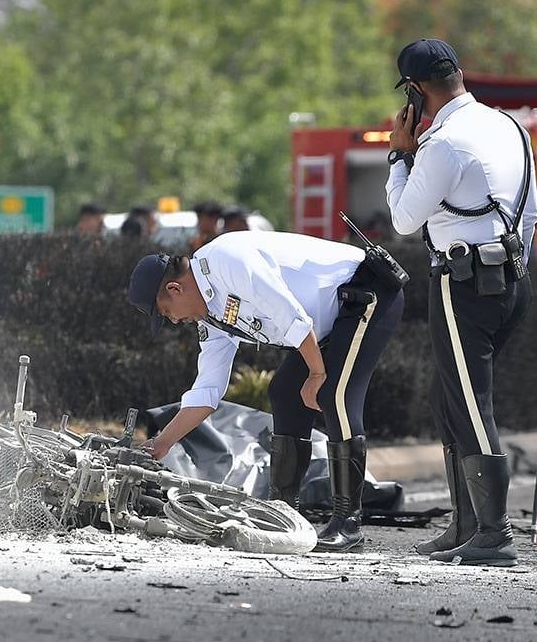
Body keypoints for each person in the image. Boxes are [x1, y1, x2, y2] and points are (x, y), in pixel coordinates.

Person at [128, 231, 404, 552]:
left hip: (366, 293)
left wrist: (316, 373)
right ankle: (284, 511)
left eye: (166, 313)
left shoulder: (227, 261)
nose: (174, 321)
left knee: (334, 395)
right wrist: (161, 444)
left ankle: (348, 523)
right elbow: (208, 390)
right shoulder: (210, 315)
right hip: (328, 323)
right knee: (285, 394)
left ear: (174, 289)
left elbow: (292, 318)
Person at [385, 39, 537, 567]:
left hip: (463, 281)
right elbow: (532, 214)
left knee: (470, 403)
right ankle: (466, 525)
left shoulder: (442, 143)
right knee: (449, 397)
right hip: (510, 279)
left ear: (416, 92)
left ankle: (492, 534)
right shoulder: (509, 126)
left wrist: (399, 155)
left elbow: (405, 220)